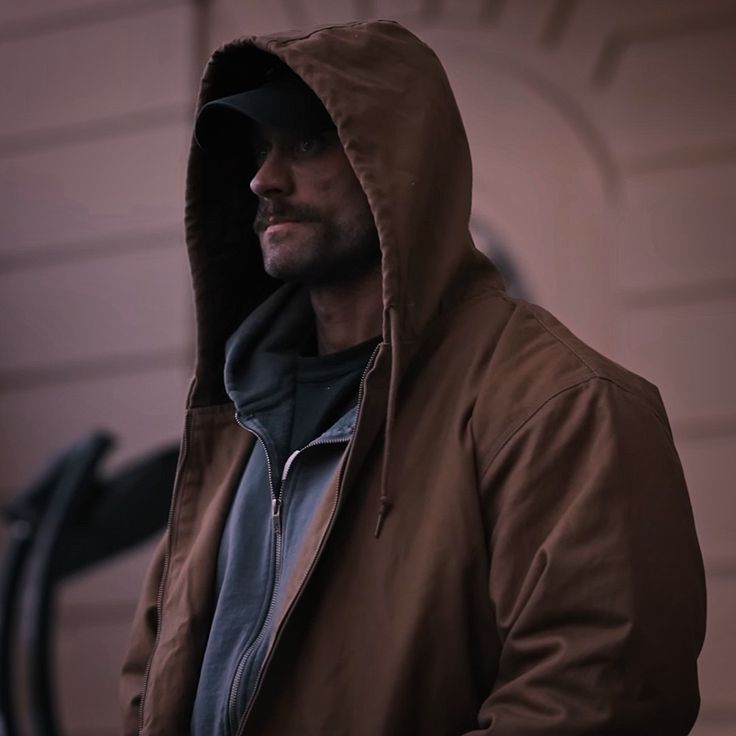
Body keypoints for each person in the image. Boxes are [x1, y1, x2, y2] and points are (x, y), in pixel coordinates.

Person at [121, 20, 706, 736]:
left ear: (397, 168)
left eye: (306, 143)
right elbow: (154, 676)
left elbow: (596, 704)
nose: (264, 180)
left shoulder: (566, 409)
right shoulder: (232, 418)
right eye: (258, 151)